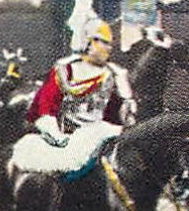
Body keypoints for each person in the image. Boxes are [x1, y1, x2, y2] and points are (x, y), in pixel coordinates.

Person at [25, 14, 135, 146]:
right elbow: (45, 106)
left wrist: (127, 105)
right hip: (65, 137)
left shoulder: (116, 73)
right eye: (104, 42)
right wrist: (55, 134)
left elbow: (124, 115)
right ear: (89, 42)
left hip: (100, 135)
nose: (109, 48)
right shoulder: (65, 68)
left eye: (110, 44)